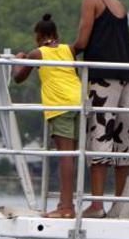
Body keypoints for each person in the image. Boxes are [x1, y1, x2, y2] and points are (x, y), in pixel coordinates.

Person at [73, 0, 129, 218]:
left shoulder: (92, 0)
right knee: (123, 139)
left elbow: (83, 40)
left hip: (103, 77)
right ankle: (119, 205)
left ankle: (97, 204)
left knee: (99, 135)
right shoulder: (119, 4)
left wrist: (65, 52)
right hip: (128, 76)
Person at [12, 13, 81, 218]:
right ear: (56, 34)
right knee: (73, 156)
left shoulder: (37, 53)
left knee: (65, 157)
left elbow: (18, 77)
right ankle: (65, 204)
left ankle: (66, 207)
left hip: (61, 104)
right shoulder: (69, 49)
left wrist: (18, 59)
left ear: (39, 35)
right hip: (79, 101)